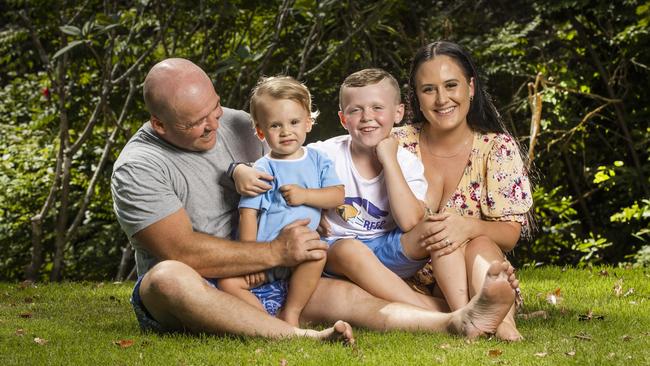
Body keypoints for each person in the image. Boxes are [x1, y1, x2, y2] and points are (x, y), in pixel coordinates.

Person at [111, 56, 519, 342]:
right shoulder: (140, 167)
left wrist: (309, 215)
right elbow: (182, 252)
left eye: (215, 109)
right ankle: (295, 339)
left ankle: (457, 320)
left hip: (280, 271)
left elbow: (293, 166)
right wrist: (275, 252)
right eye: (195, 122)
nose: (212, 125)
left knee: (358, 301)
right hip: (208, 285)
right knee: (167, 279)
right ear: (159, 124)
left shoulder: (238, 125)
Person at [392, 41, 534, 341]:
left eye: (451, 85)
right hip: (406, 281)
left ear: (470, 87)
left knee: (480, 240)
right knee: (450, 237)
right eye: (428, 89)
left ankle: (504, 323)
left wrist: (466, 226)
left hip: (473, 279)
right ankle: (468, 317)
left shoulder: (497, 148)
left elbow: (510, 233)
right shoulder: (396, 142)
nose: (442, 99)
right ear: (416, 97)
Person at [308, 68, 440, 310]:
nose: (367, 116)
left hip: (386, 248)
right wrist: (308, 214)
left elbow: (410, 222)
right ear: (343, 118)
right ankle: (433, 310)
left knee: (437, 230)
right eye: (355, 110)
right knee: (350, 249)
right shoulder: (323, 155)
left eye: (377, 108)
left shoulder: (406, 162)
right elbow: (281, 173)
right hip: (338, 251)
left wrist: (389, 160)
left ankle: (459, 301)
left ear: (398, 112)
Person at [218, 76, 344, 327]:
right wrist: (249, 258)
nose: (286, 131)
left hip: (302, 253)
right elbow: (248, 214)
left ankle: (291, 313)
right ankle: (267, 322)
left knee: (319, 254)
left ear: (308, 122)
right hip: (268, 255)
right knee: (227, 283)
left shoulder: (318, 159)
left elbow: (337, 195)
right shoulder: (262, 168)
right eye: (275, 126)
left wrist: (305, 195)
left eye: (294, 122)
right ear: (260, 131)